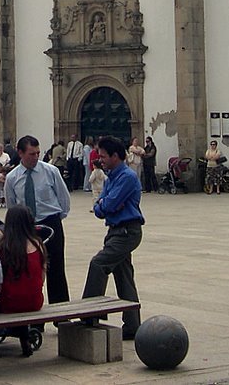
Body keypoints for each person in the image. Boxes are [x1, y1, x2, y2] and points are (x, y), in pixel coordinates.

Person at [82, 136, 143, 340]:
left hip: (126, 232)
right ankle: (132, 325)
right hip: (115, 231)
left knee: (99, 264)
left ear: (115, 156)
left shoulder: (126, 177)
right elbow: (101, 207)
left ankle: (90, 315)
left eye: (103, 156)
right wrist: (104, 205)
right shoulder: (111, 177)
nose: (100, 160)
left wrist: (104, 204)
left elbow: (106, 205)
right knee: (124, 276)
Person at [4, 135, 71, 304]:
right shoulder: (12, 178)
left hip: (51, 222)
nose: (35, 157)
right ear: (20, 153)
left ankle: (60, 312)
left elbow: (63, 198)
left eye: (37, 153)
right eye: (31, 154)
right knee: (30, 269)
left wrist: (56, 218)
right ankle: (33, 310)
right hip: (27, 227)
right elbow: (12, 205)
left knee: (56, 268)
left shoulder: (50, 171)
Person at [0, 205, 47, 357]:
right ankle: (24, 338)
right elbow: (42, 276)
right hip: (34, 302)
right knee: (21, 296)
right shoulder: (38, 244)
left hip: (8, 302)